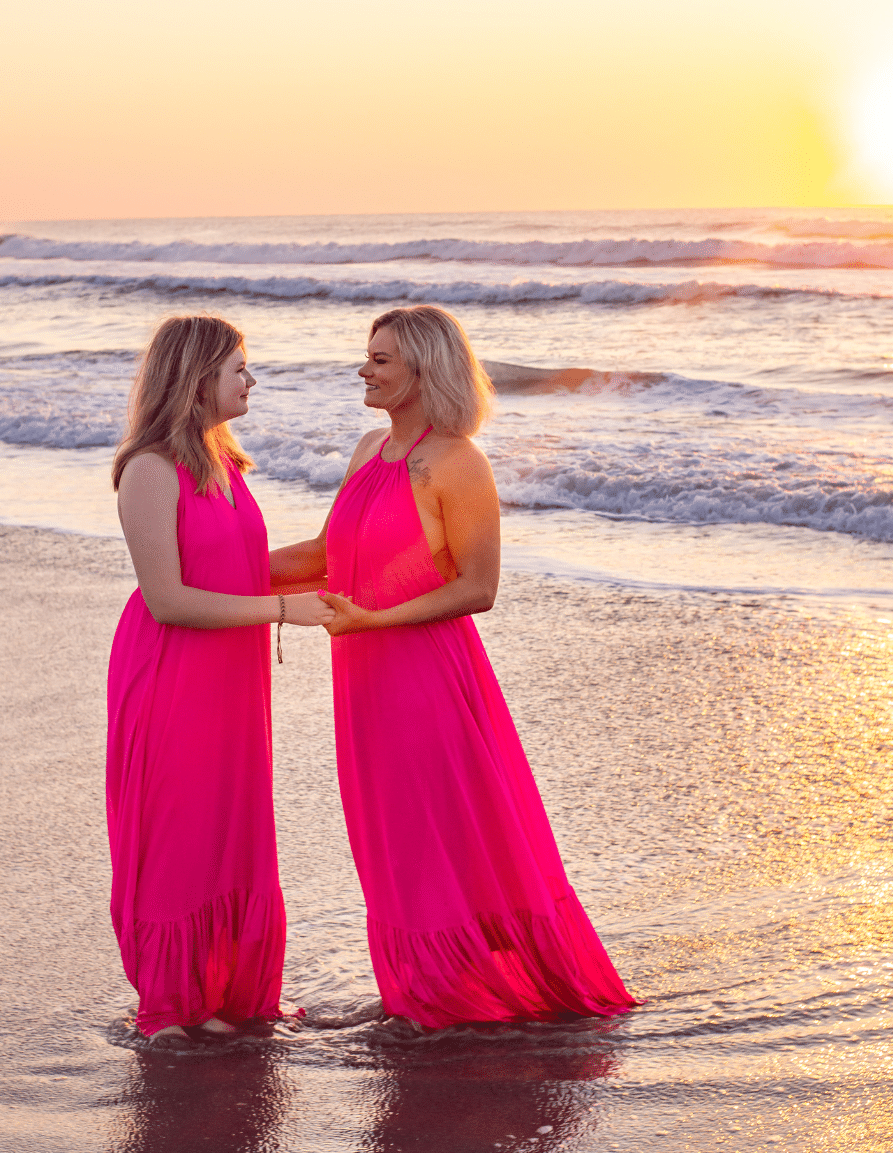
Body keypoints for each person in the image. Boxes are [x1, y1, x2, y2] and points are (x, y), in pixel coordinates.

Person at [272, 304, 638, 1027]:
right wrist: (203, 575)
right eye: (367, 355)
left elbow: (478, 586)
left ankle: (454, 992)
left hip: (424, 675)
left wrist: (375, 619)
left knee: (436, 829)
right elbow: (323, 555)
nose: (364, 369)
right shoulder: (369, 450)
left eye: (381, 360)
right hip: (364, 675)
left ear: (424, 370)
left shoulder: (457, 462)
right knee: (388, 834)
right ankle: (422, 987)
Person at [107, 314, 331, 1044]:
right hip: (174, 672)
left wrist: (353, 548)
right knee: (182, 829)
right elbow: (168, 597)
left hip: (230, 675)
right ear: (196, 377)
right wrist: (282, 612)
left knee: (231, 825)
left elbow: (240, 569)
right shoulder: (149, 468)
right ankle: (174, 1006)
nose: (250, 379)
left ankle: (230, 996)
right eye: (239, 367)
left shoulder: (225, 465)